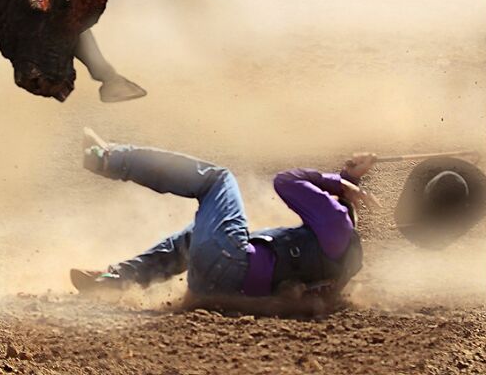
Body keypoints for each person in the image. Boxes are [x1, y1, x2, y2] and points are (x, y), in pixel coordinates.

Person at [71, 129, 379, 307]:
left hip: (230, 261)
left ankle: (109, 159)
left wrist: (337, 182)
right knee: (195, 237)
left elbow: (286, 181)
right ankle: (115, 280)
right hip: (220, 289)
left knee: (217, 180)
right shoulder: (338, 259)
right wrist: (348, 177)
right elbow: (334, 209)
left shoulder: (337, 224)